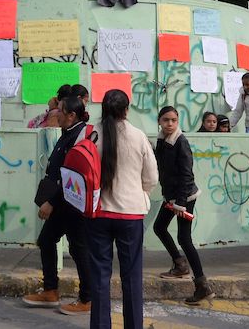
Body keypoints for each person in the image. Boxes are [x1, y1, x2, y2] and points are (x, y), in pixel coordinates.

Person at [86, 90, 157, 329]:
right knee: (132, 277)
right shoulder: (138, 136)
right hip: (131, 214)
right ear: (126, 109)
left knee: (99, 277)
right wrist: (139, 193)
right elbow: (151, 177)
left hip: (98, 213)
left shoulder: (90, 134)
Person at [23, 95, 93, 315]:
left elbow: (72, 176)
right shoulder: (68, 132)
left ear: (71, 115)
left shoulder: (79, 136)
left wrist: (51, 203)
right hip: (63, 202)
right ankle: (51, 291)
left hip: (70, 204)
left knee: (79, 250)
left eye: (60, 110)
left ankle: (87, 298)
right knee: (47, 241)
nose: (55, 114)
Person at [152, 106, 214, 304]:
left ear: (177, 122)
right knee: (159, 227)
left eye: (173, 120)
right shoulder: (162, 140)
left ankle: (202, 285)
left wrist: (180, 204)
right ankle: (180, 265)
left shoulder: (181, 141)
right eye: (165, 120)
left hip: (184, 197)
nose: (170, 124)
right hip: (172, 196)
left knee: (184, 239)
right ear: (159, 121)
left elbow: (187, 174)